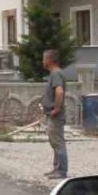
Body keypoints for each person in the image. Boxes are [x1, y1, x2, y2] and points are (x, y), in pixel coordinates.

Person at [42, 49, 68, 180]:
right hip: (53, 114)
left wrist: (56, 109)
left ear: (49, 60)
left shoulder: (56, 74)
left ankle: (61, 170)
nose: (42, 61)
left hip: (55, 115)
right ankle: (56, 168)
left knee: (57, 142)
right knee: (55, 142)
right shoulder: (55, 73)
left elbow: (59, 92)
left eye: (44, 58)